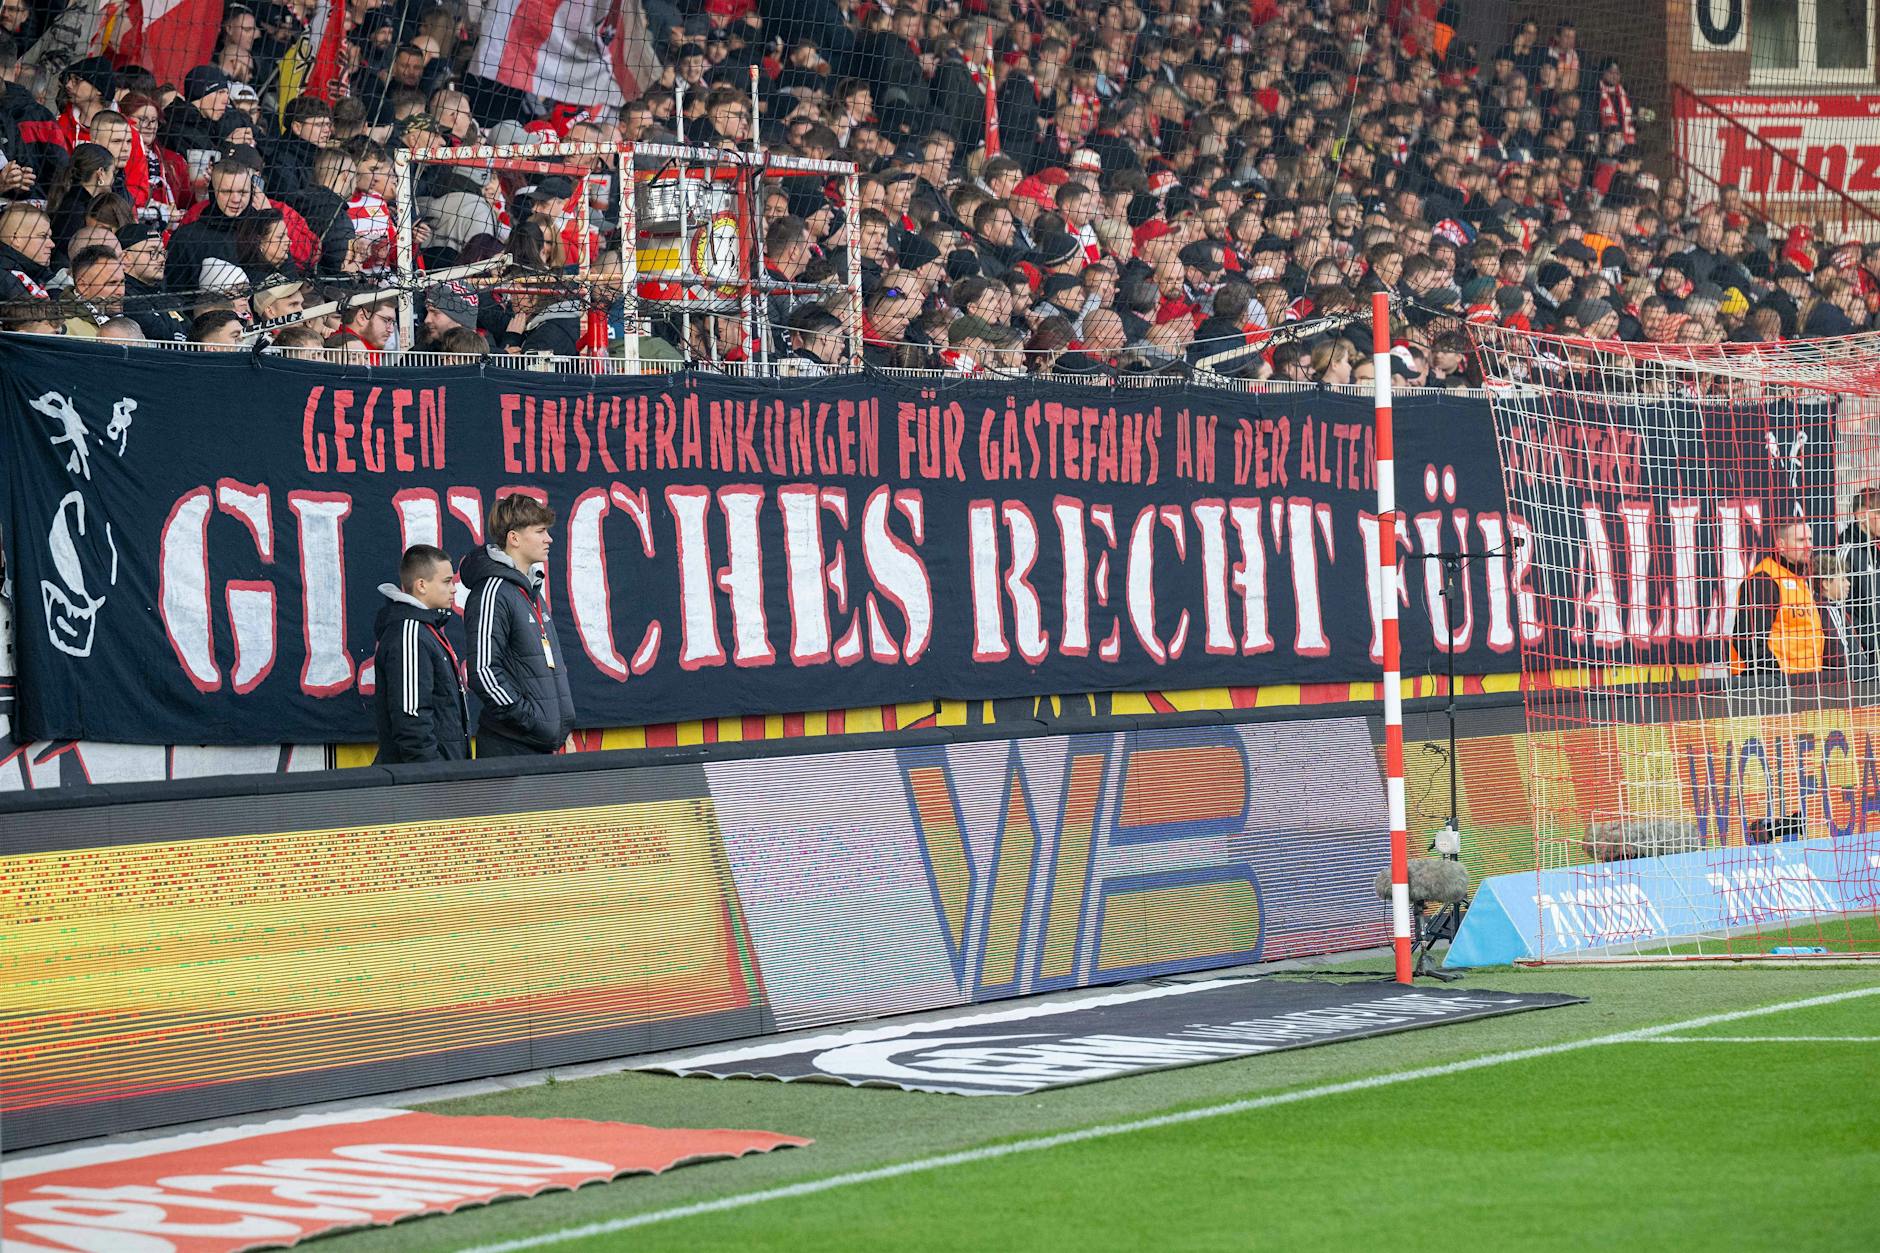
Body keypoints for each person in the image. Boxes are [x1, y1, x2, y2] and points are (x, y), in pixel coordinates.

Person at [462, 494, 576, 757]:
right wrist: (531, 721)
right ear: (514, 538)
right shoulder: (492, 591)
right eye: (540, 531)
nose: (549, 539)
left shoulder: (531, 591)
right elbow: (483, 672)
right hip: (511, 748)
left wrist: (560, 728)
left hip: (542, 746)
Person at [372, 544, 471, 763]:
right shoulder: (409, 633)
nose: (454, 588)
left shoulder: (425, 630)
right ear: (422, 585)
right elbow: (410, 717)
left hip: (446, 776)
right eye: (447, 581)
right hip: (427, 784)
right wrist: (431, 773)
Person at [1731, 520, 1822, 683]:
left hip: (1806, 683)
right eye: (1801, 540)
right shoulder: (1763, 580)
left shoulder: (1800, 578)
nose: (1809, 545)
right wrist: (1777, 679)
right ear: (1781, 545)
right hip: (1777, 689)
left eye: (1810, 539)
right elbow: (1748, 641)